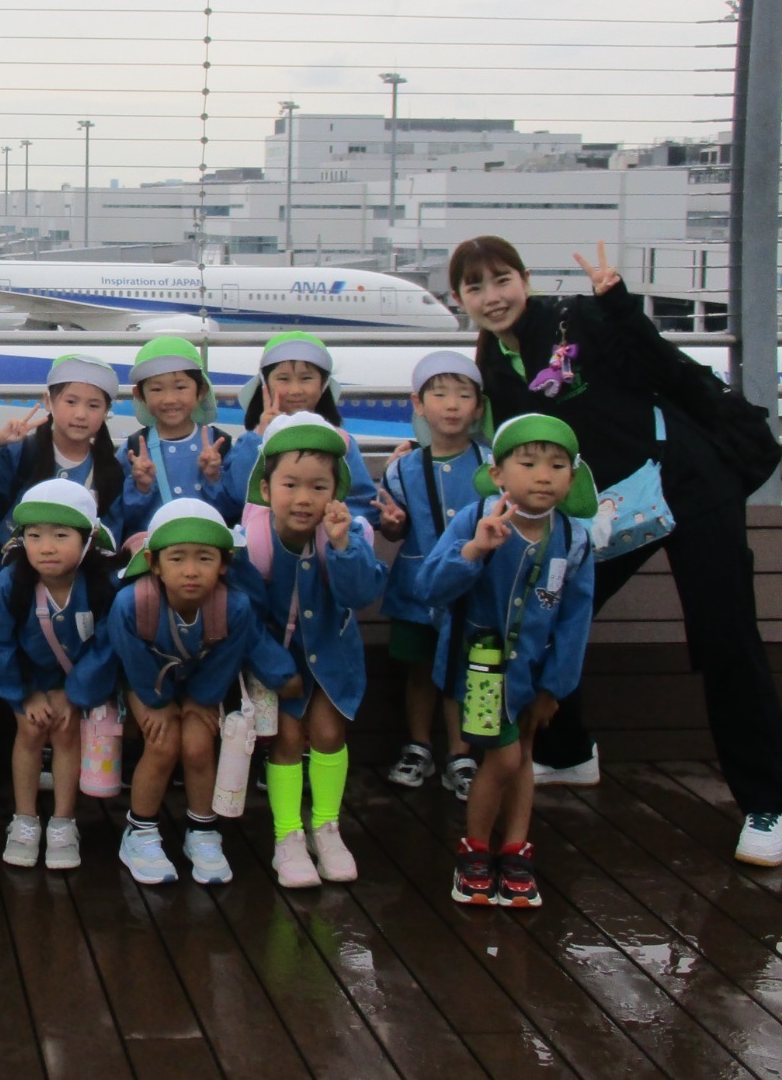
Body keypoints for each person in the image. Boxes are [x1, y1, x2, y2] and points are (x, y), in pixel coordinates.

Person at [452, 235, 782, 867]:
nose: (491, 296)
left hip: (687, 484)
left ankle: (768, 803)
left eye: (501, 280)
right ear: (459, 299)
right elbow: (511, 444)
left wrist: (619, 303)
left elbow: (661, 366)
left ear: (524, 279)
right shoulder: (494, 359)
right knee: (550, 610)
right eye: (475, 287)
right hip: (610, 510)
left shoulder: (577, 320)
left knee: (725, 636)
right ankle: (568, 753)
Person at [405, 414, 597, 909]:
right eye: (528, 463)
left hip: (532, 673)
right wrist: (474, 550)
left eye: (557, 466)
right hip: (479, 671)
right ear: (497, 474)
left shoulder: (573, 539)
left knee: (524, 754)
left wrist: (555, 687)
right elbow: (429, 587)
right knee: (505, 757)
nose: (543, 476)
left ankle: (514, 850)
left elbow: (575, 620)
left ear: (572, 477)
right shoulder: (475, 519)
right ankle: (474, 849)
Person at [231, 413, 387, 888]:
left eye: (319, 487)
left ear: (337, 491)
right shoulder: (253, 541)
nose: (304, 498)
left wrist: (341, 546)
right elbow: (246, 616)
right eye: (290, 485)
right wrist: (276, 670)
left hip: (331, 653)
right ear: (266, 488)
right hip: (276, 658)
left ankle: (327, 826)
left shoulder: (349, 533)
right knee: (286, 739)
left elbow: (361, 594)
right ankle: (287, 834)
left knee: (329, 733)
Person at [108, 497, 292, 886]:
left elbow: (228, 657)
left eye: (205, 558)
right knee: (162, 744)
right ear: (154, 563)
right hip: (145, 683)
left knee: (197, 744)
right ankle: (139, 831)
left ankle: (203, 830)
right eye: (177, 558)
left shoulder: (234, 606)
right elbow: (130, 658)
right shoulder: (131, 604)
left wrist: (202, 699)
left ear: (224, 563)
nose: (191, 571)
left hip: (200, 682)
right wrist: (155, 704)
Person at [0, 479, 121, 871]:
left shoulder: (102, 586)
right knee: (31, 730)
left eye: (60, 535)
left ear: (88, 539)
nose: (46, 547)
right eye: (34, 536)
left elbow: (108, 645)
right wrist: (23, 694)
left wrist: (77, 693)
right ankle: (24, 818)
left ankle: (64, 822)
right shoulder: (11, 583)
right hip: (25, 679)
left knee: (67, 733)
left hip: (78, 680)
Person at [372, 351, 492, 800]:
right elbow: (394, 528)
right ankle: (419, 746)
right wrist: (391, 524)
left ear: (479, 407)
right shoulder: (402, 468)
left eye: (464, 395)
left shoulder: (492, 465)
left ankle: (461, 754)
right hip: (417, 588)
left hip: (475, 588)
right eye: (439, 394)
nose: (452, 404)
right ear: (418, 404)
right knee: (420, 669)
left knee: (465, 669)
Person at [0, 354, 127, 545]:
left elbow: (110, 541)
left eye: (93, 405)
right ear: (48, 401)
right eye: (71, 402)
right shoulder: (21, 453)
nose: (81, 414)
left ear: (106, 410)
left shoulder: (109, 472)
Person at [225, 332, 377, 522]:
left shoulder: (341, 442)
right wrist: (261, 439)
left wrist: (337, 521)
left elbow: (363, 503)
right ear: (265, 384)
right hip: (264, 538)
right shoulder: (251, 441)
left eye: (306, 378)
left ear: (323, 384)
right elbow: (237, 495)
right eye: (283, 379)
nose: (295, 390)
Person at [117, 336, 236, 540]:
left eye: (180, 387)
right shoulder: (132, 450)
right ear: (140, 395)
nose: (170, 399)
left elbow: (233, 510)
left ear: (201, 390)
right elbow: (124, 518)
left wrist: (214, 477)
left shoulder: (220, 444)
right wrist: (141, 487)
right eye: (156, 389)